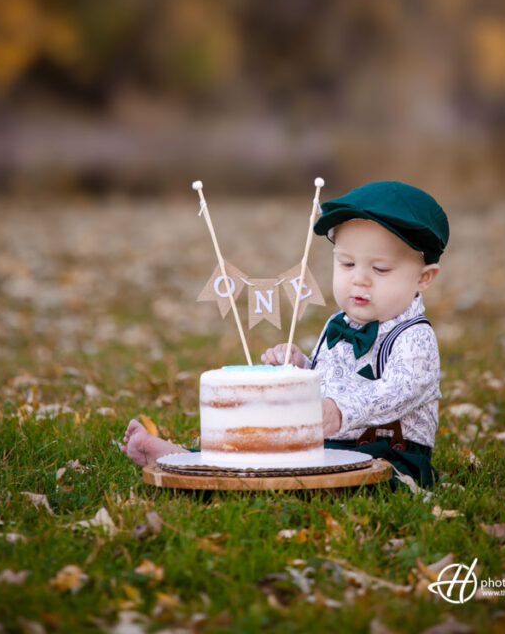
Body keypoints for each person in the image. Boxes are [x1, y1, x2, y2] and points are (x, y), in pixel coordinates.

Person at [121, 180, 448, 491]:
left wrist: (339, 410)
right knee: (269, 455)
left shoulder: (413, 337)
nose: (359, 280)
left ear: (423, 278)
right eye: (347, 264)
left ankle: (198, 465)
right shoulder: (339, 323)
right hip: (327, 445)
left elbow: (398, 391)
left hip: (390, 454)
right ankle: (185, 459)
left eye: (380, 269)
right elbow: (330, 381)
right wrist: (301, 370)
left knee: (346, 479)